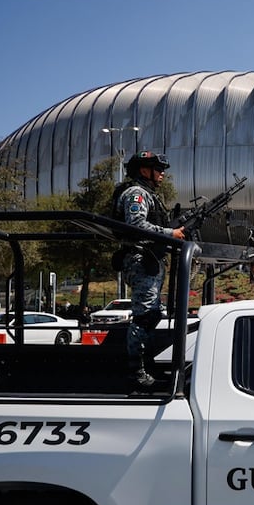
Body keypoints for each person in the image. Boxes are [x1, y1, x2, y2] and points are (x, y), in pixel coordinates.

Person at [111, 151, 186, 387]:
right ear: (144, 170)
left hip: (150, 260)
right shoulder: (136, 193)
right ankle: (136, 372)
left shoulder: (150, 195)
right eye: (157, 168)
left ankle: (148, 366)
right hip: (140, 259)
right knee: (143, 317)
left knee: (152, 314)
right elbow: (137, 225)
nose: (162, 173)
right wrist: (170, 234)